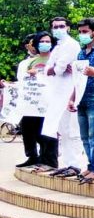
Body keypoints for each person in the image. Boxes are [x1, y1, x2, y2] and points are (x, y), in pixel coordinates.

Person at [66, 18, 94, 183]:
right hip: (81, 99)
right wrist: (72, 98)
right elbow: (77, 80)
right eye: (80, 32)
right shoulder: (81, 53)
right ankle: (91, 166)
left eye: (85, 32)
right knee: (84, 136)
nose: (82, 35)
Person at [46, 17, 85, 177]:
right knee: (62, 130)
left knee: (72, 130)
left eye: (61, 26)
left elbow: (59, 69)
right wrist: (52, 68)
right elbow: (48, 68)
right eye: (55, 27)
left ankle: (76, 164)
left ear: (68, 28)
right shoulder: (57, 47)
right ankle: (68, 163)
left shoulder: (71, 45)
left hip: (70, 92)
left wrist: (53, 68)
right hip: (57, 93)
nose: (58, 29)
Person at [21, 32, 59, 170]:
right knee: (33, 130)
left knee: (48, 131)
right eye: (41, 41)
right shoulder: (32, 62)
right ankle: (36, 158)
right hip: (34, 102)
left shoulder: (55, 59)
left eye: (47, 41)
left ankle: (50, 161)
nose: (44, 44)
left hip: (51, 101)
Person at [3, 34, 37, 167]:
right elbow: (21, 82)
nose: (33, 46)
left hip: (42, 103)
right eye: (31, 44)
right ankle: (32, 156)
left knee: (43, 133)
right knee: (27, 130)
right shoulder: (24, 64)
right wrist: (9, 84)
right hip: (27, 102)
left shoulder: (48, 60)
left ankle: (46, 158)